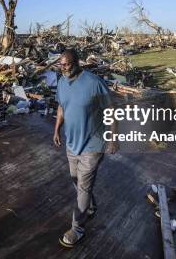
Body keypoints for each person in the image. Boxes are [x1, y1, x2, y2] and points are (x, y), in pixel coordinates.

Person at [53, 48, 116, 248]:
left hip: (93, 144)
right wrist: (56, 130)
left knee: (83, 186)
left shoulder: (94, 83)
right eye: (61, 65)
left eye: (67, 64)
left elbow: (111, 110)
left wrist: (113, 138)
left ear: (77, 62)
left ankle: (77, 229)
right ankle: (90, 205)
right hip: (71, 143)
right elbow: (61, 107)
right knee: (76, 180)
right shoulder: (61, 82)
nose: (64, 68)